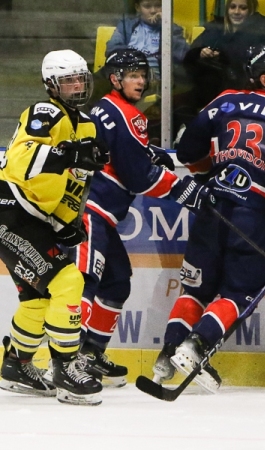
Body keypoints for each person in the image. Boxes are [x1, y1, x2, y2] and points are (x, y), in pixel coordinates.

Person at [152, 45, 265, 393]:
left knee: (197, 288)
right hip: (255, 212)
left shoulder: (223, 100)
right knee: (241, 291)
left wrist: (212, 178)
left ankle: (168, 353)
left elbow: (188, 150)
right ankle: (195, 347)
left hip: (212, 207)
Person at [70, 48, 215, 389]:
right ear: (115, 79)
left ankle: (91, 352)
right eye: (132, 75)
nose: (141, 81)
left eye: (142, 75)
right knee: (86, 282)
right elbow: (138, 176)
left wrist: (153, 156)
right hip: (90, 212)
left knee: (117, 280)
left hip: (97, 213)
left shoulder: (104, 109)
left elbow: (125, 152)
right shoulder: (127, 115)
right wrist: (183, 190)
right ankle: (69, 358)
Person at [0, 50, 110, 406]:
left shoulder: (88, 125)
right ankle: (65, 367)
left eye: (80, 79)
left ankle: (16, 365)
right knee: (67, 280)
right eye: (68, 80)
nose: (77, 86)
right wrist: (67, 154)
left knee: (38, 298)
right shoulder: (44, 112)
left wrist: (66, 222)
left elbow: (76, 184)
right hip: (10, 208)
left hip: (33, 215)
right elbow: (19, 160)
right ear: (51, 85)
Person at [105, 0, 193, 139]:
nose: (153, 11)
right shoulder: (126, 26)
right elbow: (112, 49)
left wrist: (165, 28)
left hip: (154, 77)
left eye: (158, 6)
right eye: (147, 6)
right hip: (127, 71)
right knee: (99, 79)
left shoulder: (172, 29)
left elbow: (183, 56)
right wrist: (134, 59)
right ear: (138, 7)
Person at [183, 0, 265, 110]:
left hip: (247, 91)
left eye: (243, 8)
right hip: (213, 90)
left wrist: (224, 55)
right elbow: (191, 54)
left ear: (251, 9)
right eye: (232, 7)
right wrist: (201, 52)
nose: (236, 12)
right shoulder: (216, 27)